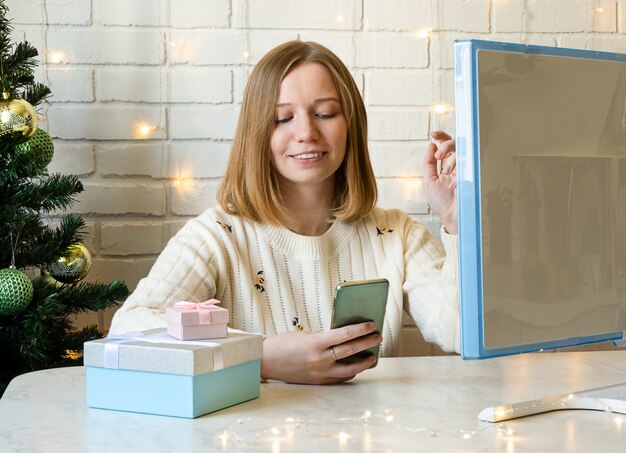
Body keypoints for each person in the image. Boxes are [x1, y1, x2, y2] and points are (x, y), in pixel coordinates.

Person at [110, 40, 459, 385]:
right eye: (283, 118)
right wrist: (260, 358)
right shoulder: (216, 236)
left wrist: (456, 221)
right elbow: (128, 333)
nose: (306, 133)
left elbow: (458, 331)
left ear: (351, 123)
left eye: (325, 113)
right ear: (258, 132)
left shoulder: (397, 234)